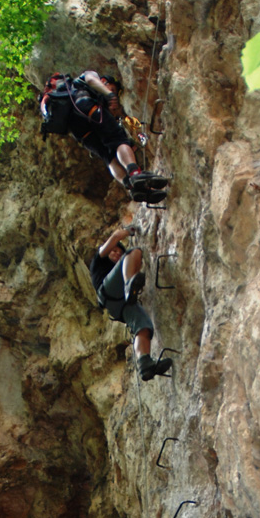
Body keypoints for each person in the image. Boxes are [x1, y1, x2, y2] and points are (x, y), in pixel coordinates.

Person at [65, 71, 169, 203]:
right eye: (112, 88)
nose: (113, 92)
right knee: (119, 140)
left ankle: (131, 186)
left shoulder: (72, 95)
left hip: (78, 129)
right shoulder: (89, 76)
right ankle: (135, 173)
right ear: (104, 81)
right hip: (88, 108)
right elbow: (91, 80)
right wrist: (109, 94)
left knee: (108, 157)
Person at [90, 225, 173, 381]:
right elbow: (114, 238)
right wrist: (127, 232)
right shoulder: (99, 259)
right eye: (113, 251)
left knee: (144, 327)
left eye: (119, 251)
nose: (116, 253)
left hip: (121, 306)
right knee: (134, 252)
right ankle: (129, 285)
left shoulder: (120, 267)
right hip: (109, 291)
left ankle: (144, 363)